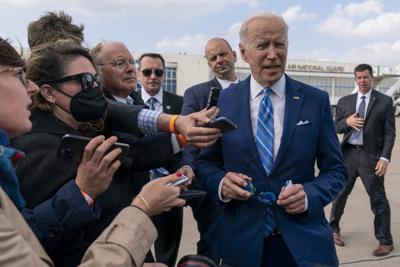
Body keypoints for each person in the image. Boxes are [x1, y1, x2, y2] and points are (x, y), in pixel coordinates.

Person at [0, 36, 185, 267]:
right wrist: (138, 206)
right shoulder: (37, 147)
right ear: (49, 93)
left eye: (96, 80)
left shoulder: (82, 130)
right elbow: (46, 247)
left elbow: (131, 154)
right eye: (85, 81)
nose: (95, 88)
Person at [196, 12, 347, 267]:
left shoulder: (314, 101)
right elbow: (204, 164)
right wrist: (221, 183)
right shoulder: (224, 101)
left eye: (279, 44)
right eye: (262, 45)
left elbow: (336, 170)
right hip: (242, 245)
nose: (272, 53)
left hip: (302, 246)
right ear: (243, 53)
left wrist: (310, 194)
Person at [26, 10, 221, 147]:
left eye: (131, 62)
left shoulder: (94, 106)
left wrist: (181, 131)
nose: (130, 69)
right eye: (82, 79)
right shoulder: (28, 128)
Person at [91, 42, 188, 266]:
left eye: (130, 63)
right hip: (118, 215)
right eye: (118, 63)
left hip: (155, 196)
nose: (129, 69)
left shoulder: (135, 101)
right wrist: (184, 135)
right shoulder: (98, 109)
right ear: (98, 71)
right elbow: (135, 151)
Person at [180, 37, 238, 260]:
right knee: (211, 241)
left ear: (234, 55)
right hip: (209, 182)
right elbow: (188, 136)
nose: (219, 60)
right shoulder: (196, 94)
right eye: (213, 58)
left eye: (223, 54)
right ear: (208, 63)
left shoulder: (252, 90)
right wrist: (187, 165)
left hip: (245, 178)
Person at [329, 63, 395, 256]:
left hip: (371, 157)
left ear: (372, 78)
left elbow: (390, 133)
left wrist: (384, 158)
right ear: (355, 79)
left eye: (365, 77)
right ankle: (333, 230)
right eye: (358, 78)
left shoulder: (384, 101)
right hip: (348, 154)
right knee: (339, 195)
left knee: (378, 199)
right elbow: (335, 127)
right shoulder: (345, 102)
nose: (362, 81)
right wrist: (346, 122)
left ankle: (385, 240)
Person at [137, 52, 185, 266]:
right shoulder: (130, 103)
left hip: (170, 184)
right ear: (139, 74)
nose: (153, 76)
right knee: (137, 245)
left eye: (158, 72)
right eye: (147, 72)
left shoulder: (180, 103)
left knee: (167, 246)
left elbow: (188, 145)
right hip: (138, 188)